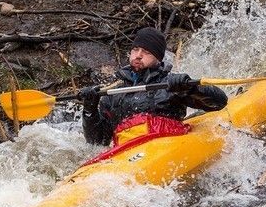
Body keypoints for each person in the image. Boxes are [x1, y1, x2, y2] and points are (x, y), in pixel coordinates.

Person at [80, 27, 227, 146]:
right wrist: (89, 110)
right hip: (127, 151)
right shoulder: (113, 93)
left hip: (166, 144)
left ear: (158, 58)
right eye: (135, 50)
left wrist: (191, 88)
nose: (138, 55)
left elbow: (219, 103)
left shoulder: (172, 84)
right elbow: (98, 141)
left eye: (146, 52)